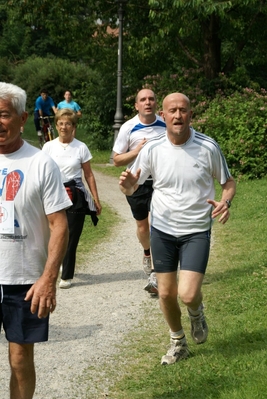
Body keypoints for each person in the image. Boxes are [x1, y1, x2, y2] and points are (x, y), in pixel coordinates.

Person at [119, 92, 236, 365]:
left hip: (196, 230)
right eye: (172, 111)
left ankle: (196, 312)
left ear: (190, 115)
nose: (178, 115)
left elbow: (228, 182)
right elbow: (134, 184)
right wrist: (127, 186)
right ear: (163, 115)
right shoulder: (152, 148)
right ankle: (178, 342)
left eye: (183, 110)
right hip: (162, 230)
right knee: (166, 292)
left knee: (188, 294)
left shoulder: (207, 146)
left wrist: (226, 201)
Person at [0, 82, 72, 398]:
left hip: (24, 279)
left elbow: (59, 226)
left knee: (19, 359)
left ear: (22, 118)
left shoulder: (41, 162)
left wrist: (48, 279)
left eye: (3, 115)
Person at [113, 88, 166, 295]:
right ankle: (147, 253)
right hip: (136, 183)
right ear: (136, 105)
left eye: (151, 99)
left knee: (159, 224)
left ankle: (157, 272)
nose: (147, 102)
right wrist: (136, 152)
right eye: (143, 100)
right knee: (143, 227)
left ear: (156, 103)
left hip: (161, 182)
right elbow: (117, 160)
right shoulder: (128, 127)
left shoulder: (165, 124)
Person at [42, 108, 102, 289]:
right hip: (53, 193)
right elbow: (41, 172)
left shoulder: (81, 147)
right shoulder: (48, 147)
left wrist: (95, 199)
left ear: (73, 126)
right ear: (56, 125)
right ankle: (55, 263)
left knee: (71, 235)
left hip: (75, 194)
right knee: (53, 232)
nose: (64, 127)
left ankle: (66, 276)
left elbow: (89, 175)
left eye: (68, 123)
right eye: (60, 123)